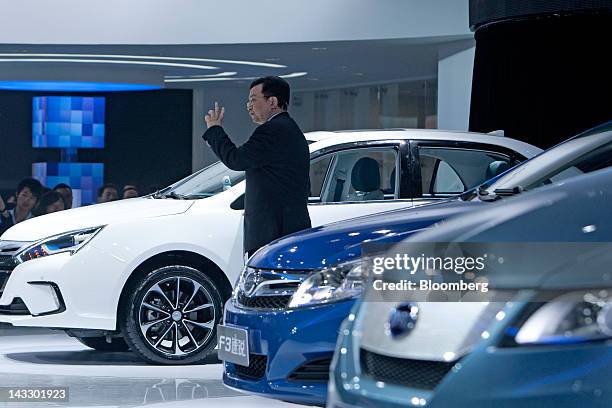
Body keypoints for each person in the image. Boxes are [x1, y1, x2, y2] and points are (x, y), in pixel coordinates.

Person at [202, 76, 311, 256]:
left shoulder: (273, 130)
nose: (249, 106)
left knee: (272, 282)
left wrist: (214, 129)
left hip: (274, 234)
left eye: (253, 100)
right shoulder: (286, 127)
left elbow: (236, 159)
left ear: (273, 101)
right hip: (284, 229)